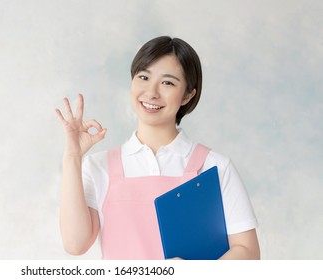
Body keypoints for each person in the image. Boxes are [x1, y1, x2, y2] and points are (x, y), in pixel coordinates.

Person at [55, 36, 260, 260]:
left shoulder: (215, 167)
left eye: (168, 82)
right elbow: (76, 244)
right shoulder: (98, 167)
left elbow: (248, 252)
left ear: (188, 95)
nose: (151, 92)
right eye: (143, 77)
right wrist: (72, 157)